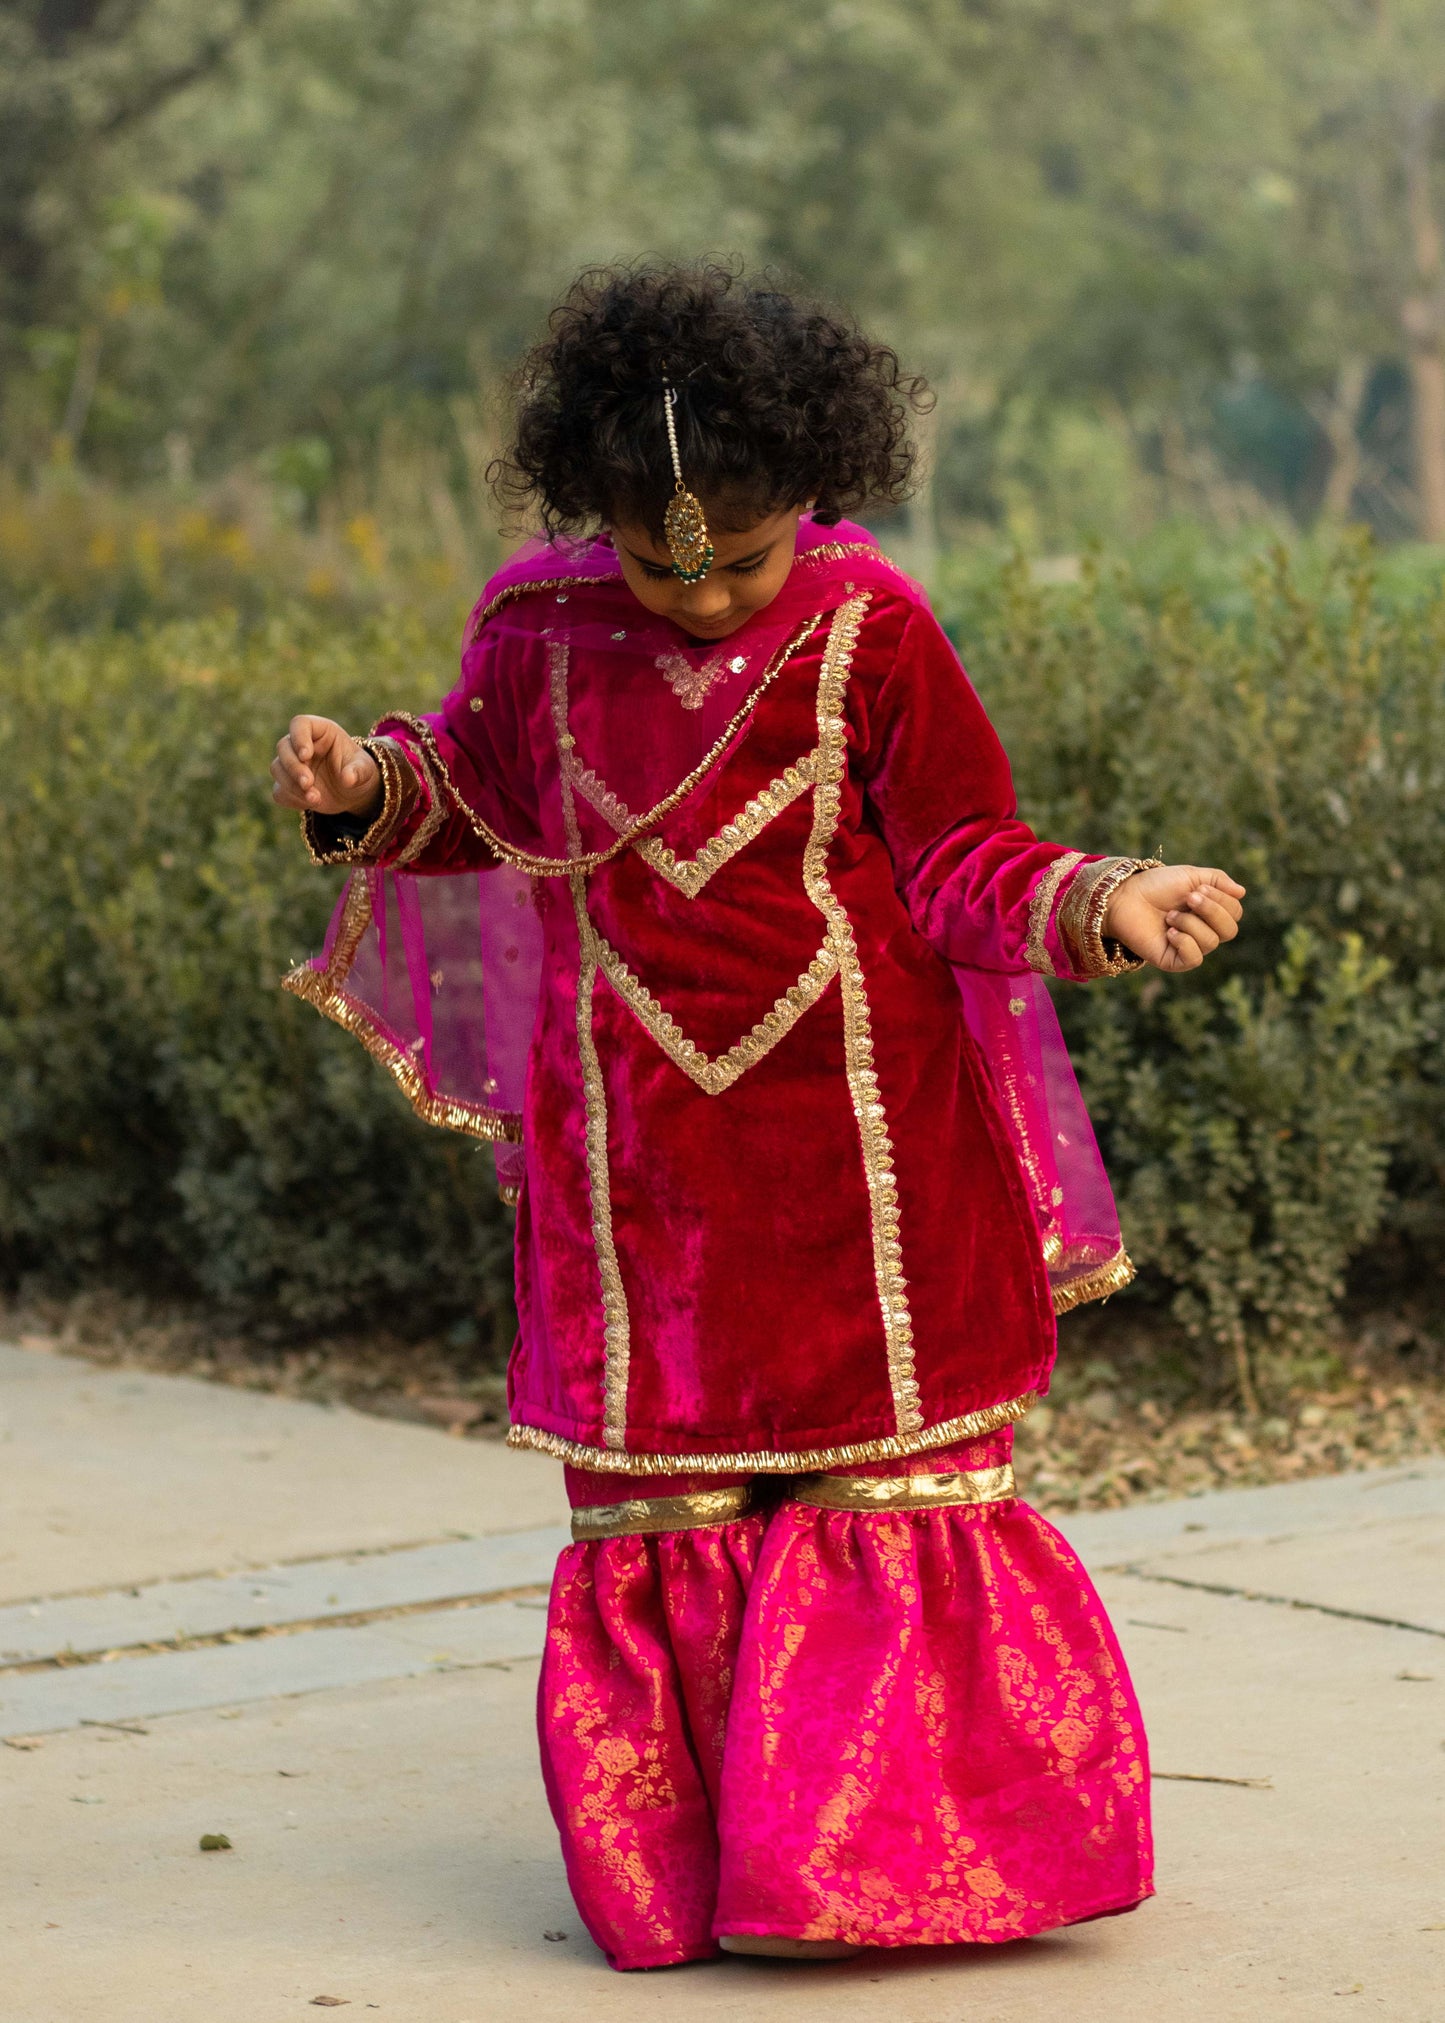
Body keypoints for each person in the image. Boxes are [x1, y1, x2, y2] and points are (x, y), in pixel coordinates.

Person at [270, 262, 1244, 1971]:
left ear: (816, 493)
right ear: (602, 517)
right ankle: (706, 1882)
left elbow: (960, 860)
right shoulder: (538, 629)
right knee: (671, 1522)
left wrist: (1106, 897)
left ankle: (885, 1876)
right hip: (637, 1182)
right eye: (662, 557)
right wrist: (368, 788)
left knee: (889, 1507)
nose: (705, 590)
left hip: (873, 1163)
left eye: (741, 551)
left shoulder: (873, 629)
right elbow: (477, 803)